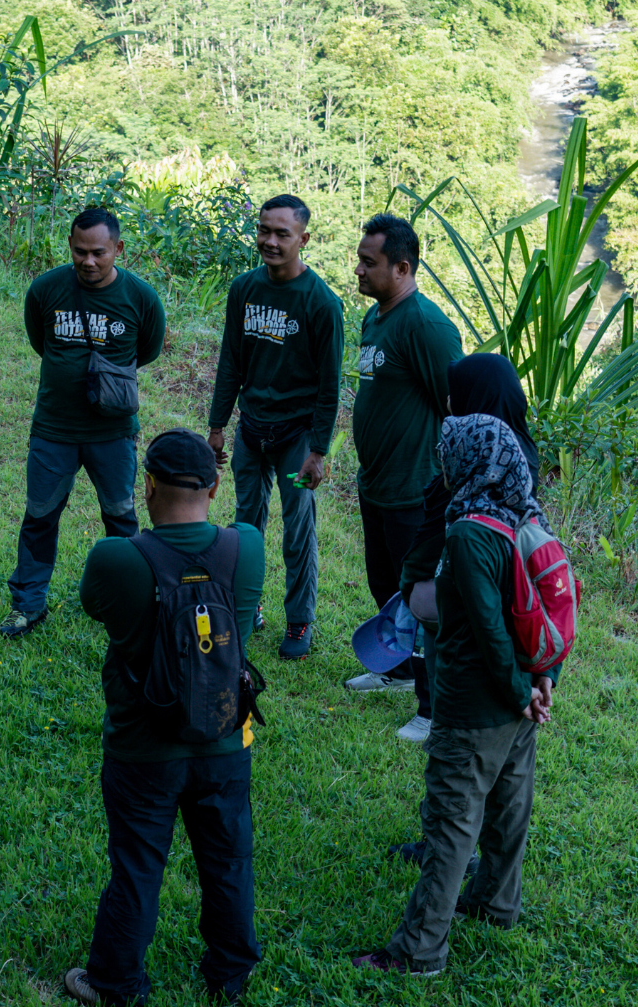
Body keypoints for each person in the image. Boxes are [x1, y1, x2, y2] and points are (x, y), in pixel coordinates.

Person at [63, 429, 264, 1007]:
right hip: (227, 742)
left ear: (146, 485)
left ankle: (116, 983)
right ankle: (230, 977)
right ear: (215, 486)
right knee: (229, 863)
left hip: (142, 749)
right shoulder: (245, 548)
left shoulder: (116, 558)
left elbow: (95, 606)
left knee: (137, 867)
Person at [353, 415, 558, 975]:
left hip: (476, 704)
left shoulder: (469, 531)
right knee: (509, 808)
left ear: (469, 460)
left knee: (451, 824)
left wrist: (520, 692)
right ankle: (496, 903)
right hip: (521, 704)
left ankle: (418, 951)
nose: (442, 466)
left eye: (449, 455)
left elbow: (490, 629)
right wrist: (542, 682)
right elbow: (549, 601)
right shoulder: (525, 515)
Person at [0, 208, 166, 638]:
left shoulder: (142, 298)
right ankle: (28, 604)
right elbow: (40, 340)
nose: (88, 262)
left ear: (118, 249)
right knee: (40, 516)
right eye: (78, 252)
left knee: (121, 517)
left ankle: (126, 600)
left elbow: (146, 350)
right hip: (54, 428)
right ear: (69, 247)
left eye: (98, 253)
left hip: (112, 432)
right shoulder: (45, 289)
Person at [207, 194, 343, 658]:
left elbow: (330, 386)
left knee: (297, 530)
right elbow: (231, 361)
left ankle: (300, 622)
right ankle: (247, 607)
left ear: (303, 239)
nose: (270, 240)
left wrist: (317, 451)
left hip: (295, 440)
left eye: (282, 233)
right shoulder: (244, 289)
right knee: (246, 524)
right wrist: (218, 425)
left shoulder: (322, 303)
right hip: (251, 431)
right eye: (264, 230)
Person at [347, 214, 464, 734]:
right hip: (376, 483)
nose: (358, 270)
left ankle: (430, 707)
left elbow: (457, 407)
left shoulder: (426, 325)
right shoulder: (377, 319)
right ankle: (393, 670)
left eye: (369, 263)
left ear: (402, 267)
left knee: (420, 600)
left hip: (416, 488)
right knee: (384, 584)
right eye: (360, 259)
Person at [392, 351, 540, 746]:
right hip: (495, 586)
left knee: (453, 654)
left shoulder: (479, 458)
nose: (448, 402)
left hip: (460, 584)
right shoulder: (521, 450)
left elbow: (441, 537)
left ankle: (437, 720)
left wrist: (413, 582)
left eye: (456, 394)